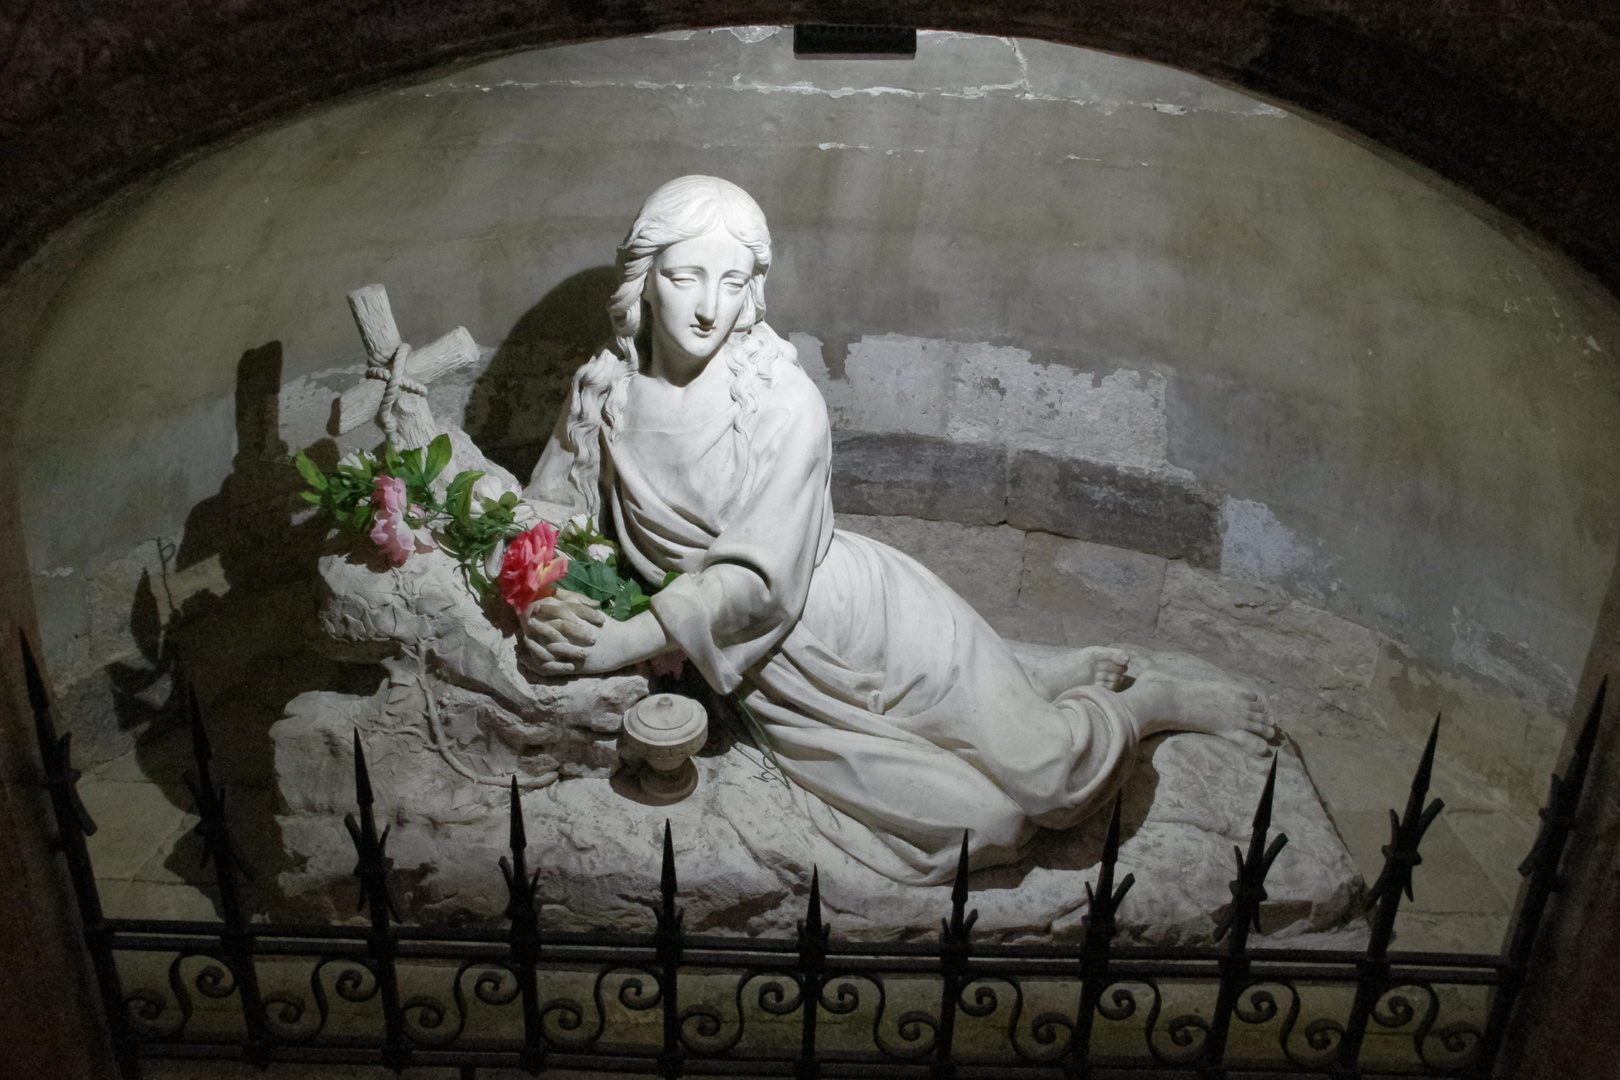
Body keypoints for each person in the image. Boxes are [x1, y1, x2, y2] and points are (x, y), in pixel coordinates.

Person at [521, 175, 1274, 885]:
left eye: (732, 281)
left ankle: (1146, 707)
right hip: (776, 681)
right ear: (645, 279)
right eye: (686, 277)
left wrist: (621, 641)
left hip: (857, 619)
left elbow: (760, 579)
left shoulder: (780, 401)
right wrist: (550, 599)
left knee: (1052, 782)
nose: (709, 308)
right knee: (992, 827)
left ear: (753, 291)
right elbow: (546, 515)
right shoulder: (604, 394)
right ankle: (1027, 669)